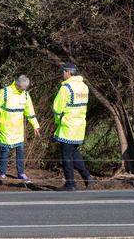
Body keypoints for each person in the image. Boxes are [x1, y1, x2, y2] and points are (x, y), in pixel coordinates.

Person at [0, 75, 40, 183]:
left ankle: (21, 173)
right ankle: (2, 174)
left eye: (25, 88)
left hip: (18, 130)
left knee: (20, 152)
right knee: (5, 151)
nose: (24, 90)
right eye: (22, 88)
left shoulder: (25, 94)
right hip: (5, 129)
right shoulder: (4, 92)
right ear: (17, 85)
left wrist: (35, 125)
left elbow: (30, 111)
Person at [53, 62, 93, 191]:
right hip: (80, 126)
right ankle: (87, 177)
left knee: (66, 156)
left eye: (63, 72)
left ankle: (70, 183)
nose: (62, 74)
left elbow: (57, 107)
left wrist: (57, 121)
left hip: (68, 126)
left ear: (68, 72)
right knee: (74, 154)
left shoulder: (66, 87)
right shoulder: (84, 87)